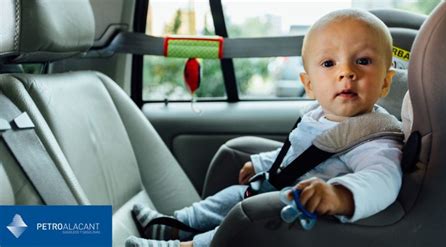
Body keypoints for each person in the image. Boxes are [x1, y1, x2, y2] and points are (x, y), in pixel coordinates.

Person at [126, 8, 402, 247]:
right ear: (309, 85)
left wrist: (340, 194)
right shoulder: (316, 115)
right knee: (234, 197)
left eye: (363, 61)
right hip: (286, 192)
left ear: (386, 82)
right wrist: (262, 163)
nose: (346, 72)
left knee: (242, 222)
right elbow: (297, 154)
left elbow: (382, 178)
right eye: (329, 63)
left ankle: (185, 244)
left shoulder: (375, 137)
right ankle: (176, 223)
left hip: (308, 217)